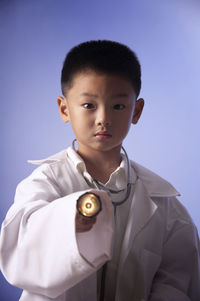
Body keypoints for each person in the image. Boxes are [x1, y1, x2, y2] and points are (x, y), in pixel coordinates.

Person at [0, 40, 199, 301]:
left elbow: (177, 282)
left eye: (118, 106)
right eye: (89, 105)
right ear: (64, 109)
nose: (103, 118)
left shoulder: (164, 203)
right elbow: (19, 253)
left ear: (136, 111)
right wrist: (71, 220)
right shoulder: (44, 184)